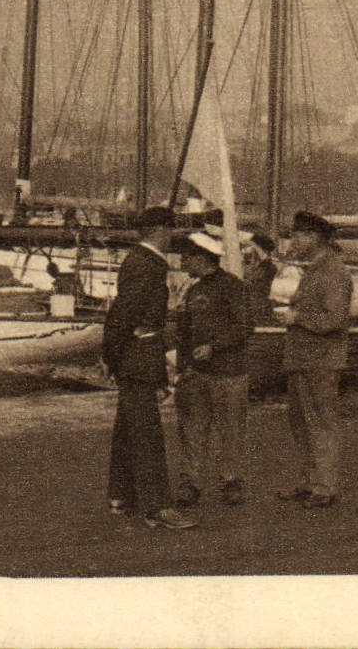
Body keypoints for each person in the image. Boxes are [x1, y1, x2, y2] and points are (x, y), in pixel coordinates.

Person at [103, 205, 197, 531]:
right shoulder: (148, 265)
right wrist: (113, 356)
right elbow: (124, 315)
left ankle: (121, 495)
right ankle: (157, 506)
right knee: (147, 433)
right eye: (171, 230)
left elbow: (122, 315)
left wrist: (113, 356)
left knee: (128, 428)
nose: (173, 236)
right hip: (138, 356)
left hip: (133, 355)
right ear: (160, 230)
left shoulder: (139, 262)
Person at [274, 210, 353, 509]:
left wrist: (297, 317)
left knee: (320, 423)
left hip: (320, 361)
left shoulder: (333, 272)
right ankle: (310, 481)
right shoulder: (317, 269)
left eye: (298, 234)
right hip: (304, 360)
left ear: (314, 237)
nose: (294, 240)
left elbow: (334, 319)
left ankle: (325, 486)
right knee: (302, 423)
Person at [172, 231, 252, 507]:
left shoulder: (232, 286)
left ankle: (231, 481)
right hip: (197, 372)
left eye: (187, 256)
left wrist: (215, 347)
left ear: (201, 258)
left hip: (228, 372)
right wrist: (181, 367)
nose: (182, 260)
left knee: (229, 429)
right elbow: (186, 332)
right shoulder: (192, 289)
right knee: (193, 429)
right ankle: (191, 482)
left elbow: (244, 327)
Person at [243, 232, 280, 325]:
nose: (250, 250)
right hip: (249, 307)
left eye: (253, 248)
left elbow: (266, 259)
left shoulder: (269, 267)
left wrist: (254, 245)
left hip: (260, 308)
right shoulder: (251, 267)